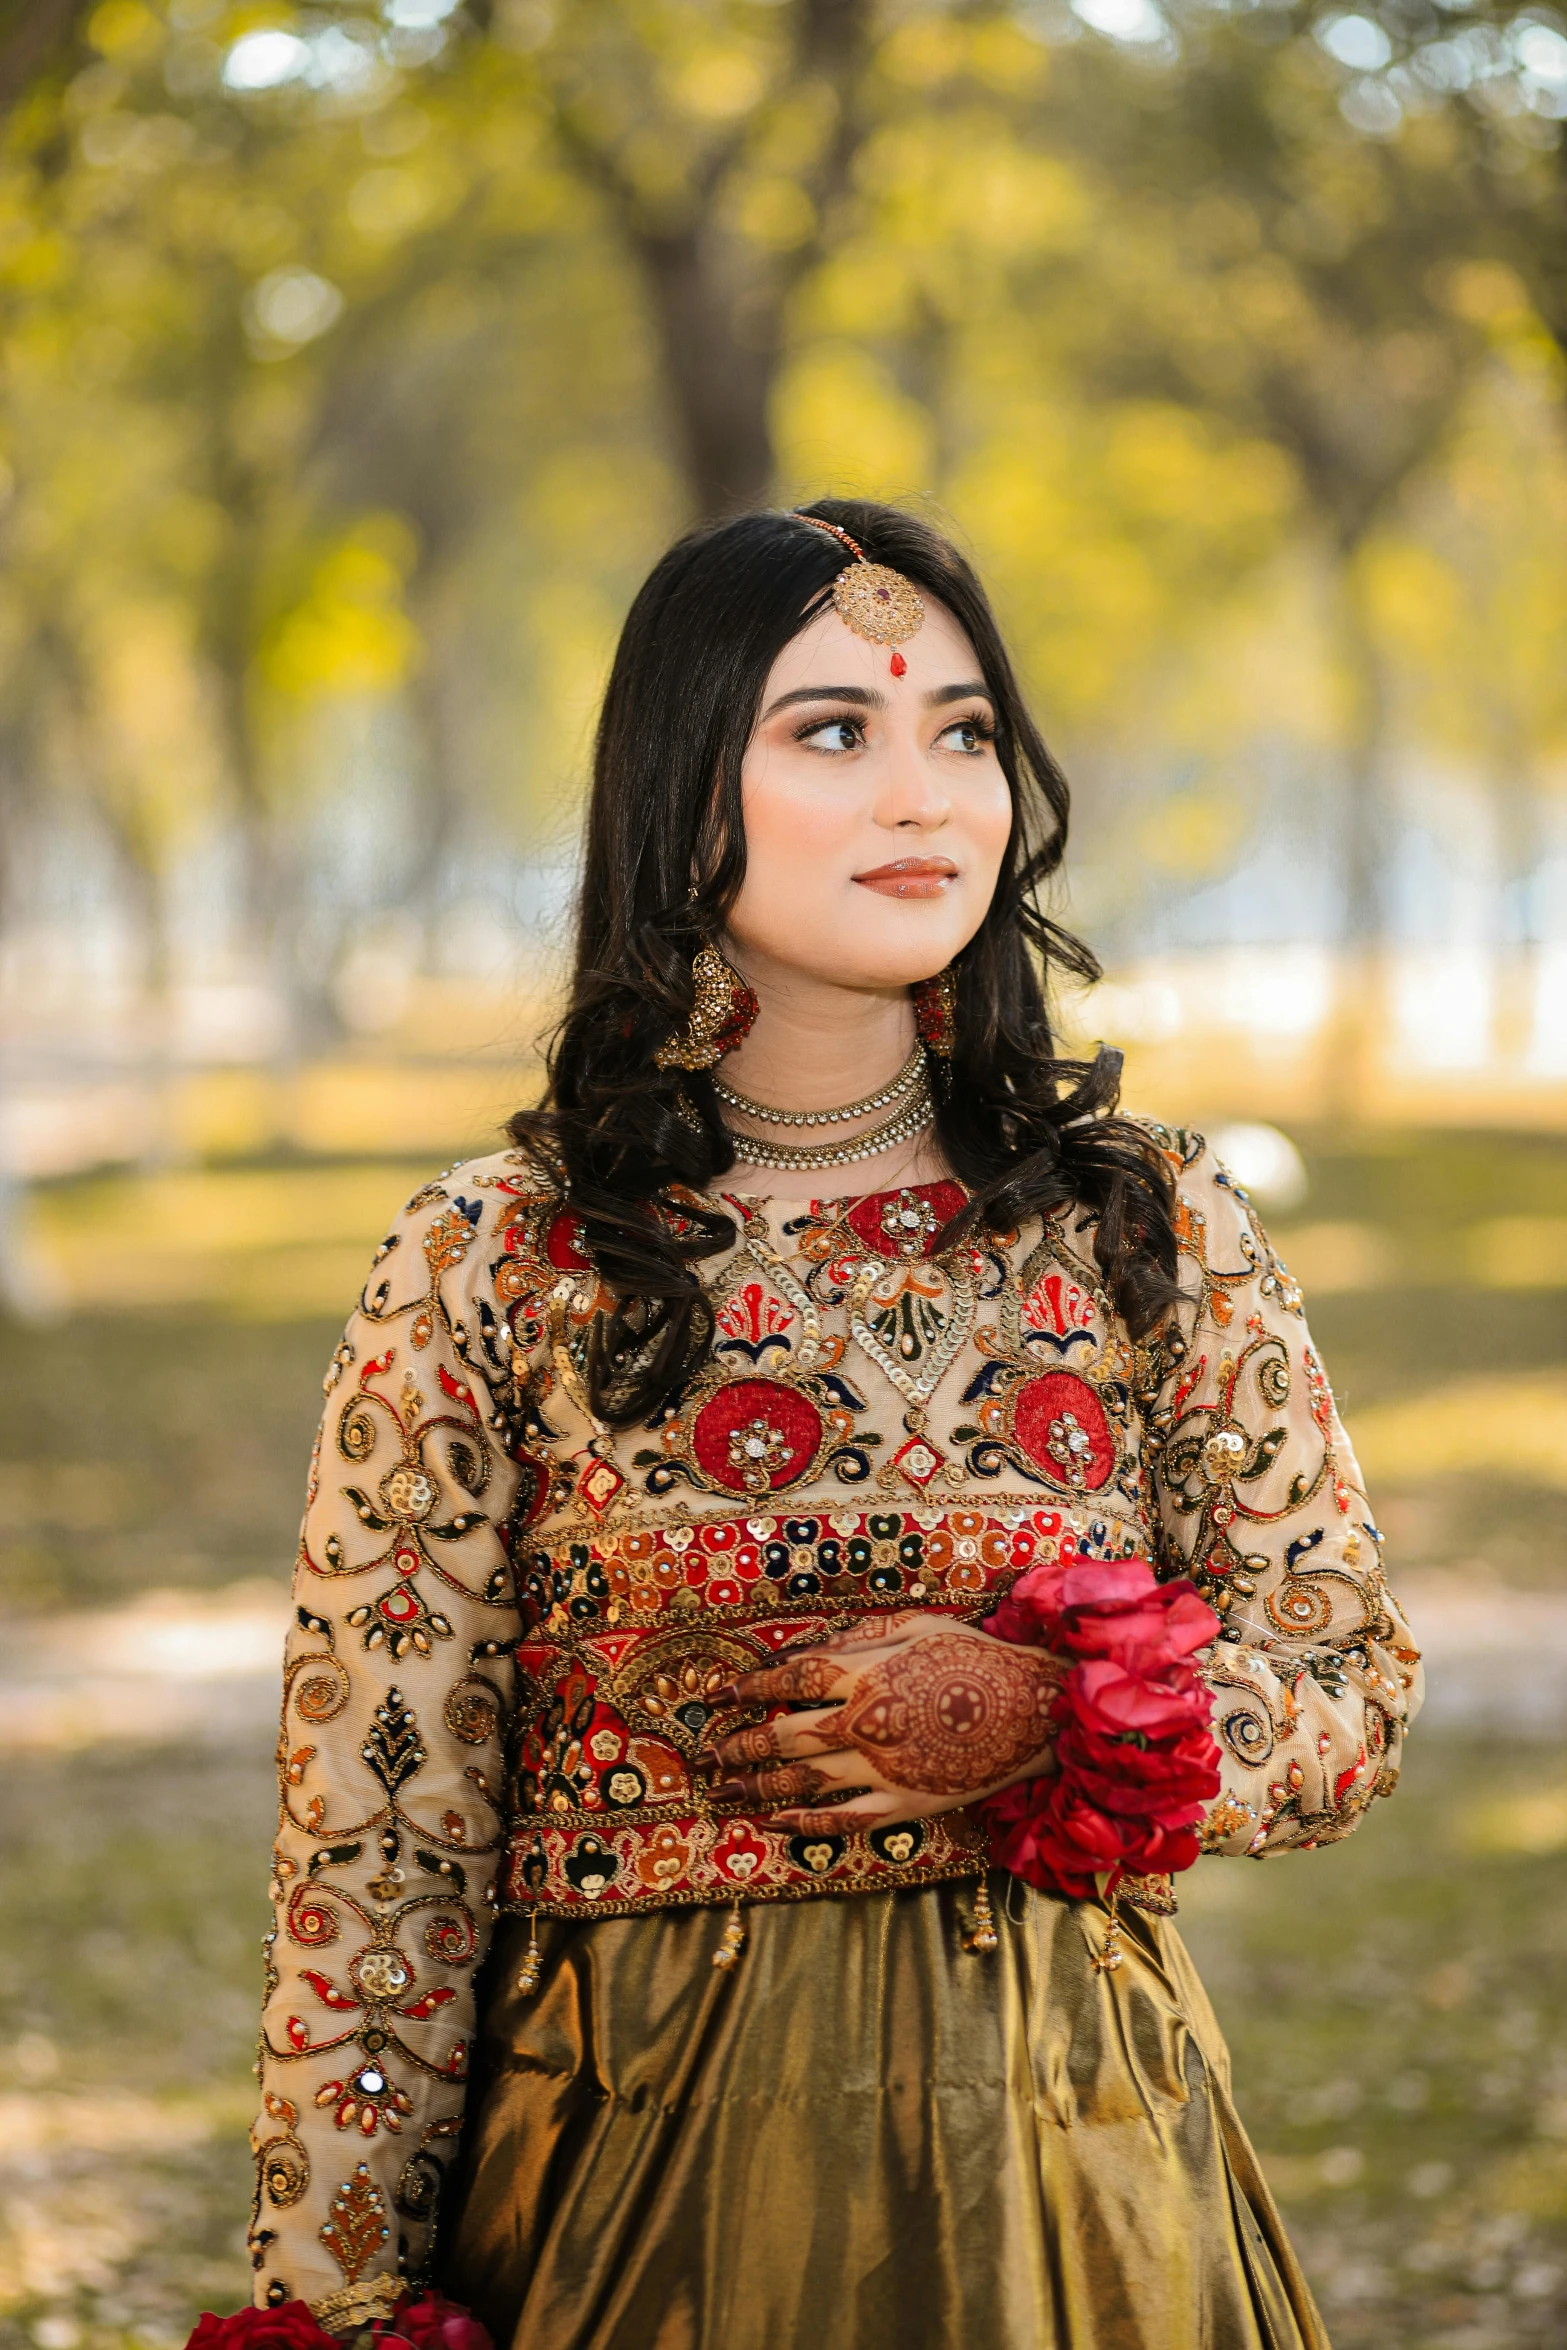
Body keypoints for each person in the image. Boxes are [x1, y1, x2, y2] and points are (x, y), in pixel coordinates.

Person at [241, 502, 1421, 2350]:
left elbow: (1343, 1684)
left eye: (962, 732)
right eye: (832, 732)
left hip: (1076, 2185)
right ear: (682, 787)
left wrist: (1056, 1724)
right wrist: (336, 2295)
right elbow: (382, 1846)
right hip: (633, 2195)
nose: (924, 796)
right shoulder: (493, 1260)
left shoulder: (1145, 1232)